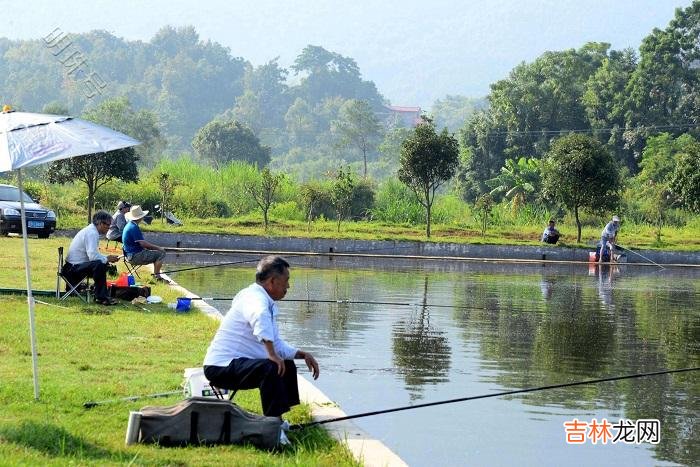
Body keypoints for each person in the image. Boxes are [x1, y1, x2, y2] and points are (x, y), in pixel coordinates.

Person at [203, 256, 320, 417]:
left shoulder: (263, 299)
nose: (288, 286)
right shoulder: (255, 298)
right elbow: (260, 317)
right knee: (271, 368)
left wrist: (302, 354)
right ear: (272, 281)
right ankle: (272, 424)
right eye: (286, 281)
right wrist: (271, 355)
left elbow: (276, 343)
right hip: (221, 367)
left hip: (238, 363)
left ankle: (280, 420)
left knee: (286, 364)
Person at [62, 210, 120, 305]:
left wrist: (106, 258)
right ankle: (101, 297)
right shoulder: (92, 233)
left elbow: (93, 255)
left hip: (72, 267)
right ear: (100, 223)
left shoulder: (91, 231)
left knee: (102, 264)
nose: (109, 228)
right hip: (72, 269)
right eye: (108, 225)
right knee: (100, 265)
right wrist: (107, 258)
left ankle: (99, 293)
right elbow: (93, 257)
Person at [122, 205, 168, 281]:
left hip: (129, 255)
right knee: (161, 254)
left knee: (154, 253)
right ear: (140, 217)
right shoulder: (134, 228)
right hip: (135, 257)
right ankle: (157, 277)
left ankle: (156, 275)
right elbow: (143, 244)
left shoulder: (129, 225)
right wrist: (159, 248)